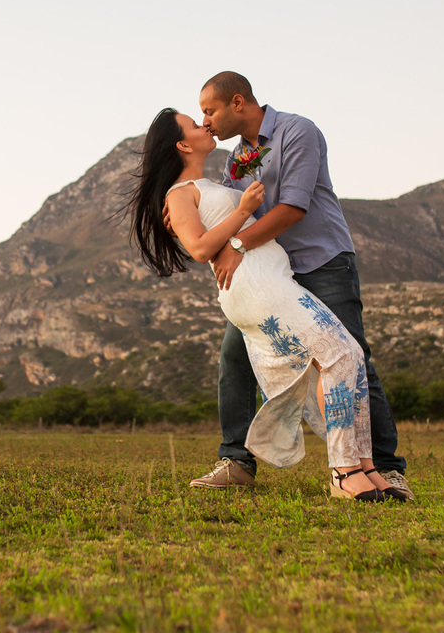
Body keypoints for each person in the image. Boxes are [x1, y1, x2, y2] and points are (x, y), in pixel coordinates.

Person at [128, 108, 384, 501]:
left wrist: (238, 225)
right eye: (195, 124)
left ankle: (365, 469)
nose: (204, 123)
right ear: (182, 144)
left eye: (207, 114)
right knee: (341, 354)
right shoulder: (180, 194)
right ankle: (344, 472)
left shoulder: (214, 178)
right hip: (258, 288)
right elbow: (198, 248)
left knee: (343, 358)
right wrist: (243, 213)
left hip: (271, 280)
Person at [188, 71, 413, 501]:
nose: (205, 122)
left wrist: (236, 245)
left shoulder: (297, 131)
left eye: (209, 110)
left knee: (351, 357)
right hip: (269, 275)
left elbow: (293, 208)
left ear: (238, 103)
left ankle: (385, 468)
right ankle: (236, 461)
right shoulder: (237, 158)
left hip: (321, 263)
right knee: (234, 359)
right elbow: (236, 215)